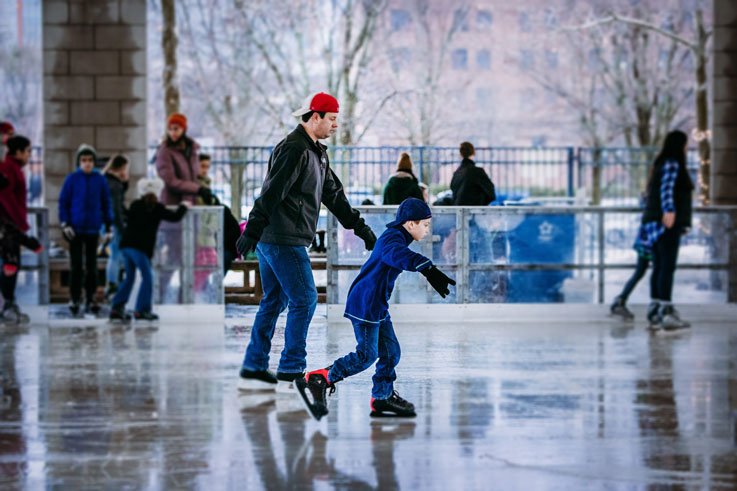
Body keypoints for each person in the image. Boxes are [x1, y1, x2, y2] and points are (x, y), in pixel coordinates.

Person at [235, 91, 377, 390]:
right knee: (305, 299)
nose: (335, 125)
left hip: (279, 237)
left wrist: (361, 229)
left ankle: (255, 363)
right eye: (332, 119)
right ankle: (291, 368)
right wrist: (253, 228)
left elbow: (334, 196)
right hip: (281, 238)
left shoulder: (316, 153)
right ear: (315, 117)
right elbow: (272, 192)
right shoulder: (295, 149)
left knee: (275, 300)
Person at [295, 198, 455, 420]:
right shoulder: (392, 240)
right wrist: (426, 267)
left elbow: (397, 255)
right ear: (410, 224)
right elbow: (396, 255)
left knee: (391, 353)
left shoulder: (398, 237)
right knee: (366, 355)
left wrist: (426, 269)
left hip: (376, 305)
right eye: (425, 224)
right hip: (366, 304)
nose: (428, 229)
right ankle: (320, 378)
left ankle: (382, 396)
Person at [109, 178, 187, 322]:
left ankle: (117, 306)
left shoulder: (136, 205)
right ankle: (142, 309)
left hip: (126, 246)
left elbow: (126, 215)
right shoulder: (157, 208)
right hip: (140, 248)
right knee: (148, 277)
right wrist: (183, 206)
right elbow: (175, 217)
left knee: (129, 278)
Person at [639, 130, 694, 331]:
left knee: (660, 266)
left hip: (654, 221)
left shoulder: (661, 163)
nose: (687, 149)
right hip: (665, 222)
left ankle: (655, 308)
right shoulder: (672, 163)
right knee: (667, 266)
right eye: (685, 144)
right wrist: (670, 212)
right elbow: (667, 189)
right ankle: (666, 311)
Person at [59, 143, 113, 315]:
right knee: (76, 266)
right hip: (75, 229)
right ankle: (74, 298)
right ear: (79, 162)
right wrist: (65, 223)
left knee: (92, 266)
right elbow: (63, 202)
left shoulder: (100, 180)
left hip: (92, 229)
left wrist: (108, 226)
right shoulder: (72, 179)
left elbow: (106, 203)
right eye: (84, 160)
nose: (87, 163)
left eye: (90, 160)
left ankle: (90, 298)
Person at [0, 135, 43, 323]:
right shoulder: (9, 168)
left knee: (11, 265)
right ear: (17, 152)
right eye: (27, 151)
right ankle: (8, 305)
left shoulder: (13, 168)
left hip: (10, 225)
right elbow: (6, 198)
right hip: (8, 225)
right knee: (11, 265)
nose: (29, 156)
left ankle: (9, 304)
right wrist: (22, 225)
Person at [155, 113, 212, 205]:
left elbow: (193, 178)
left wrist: (204, 190)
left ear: (183, 129)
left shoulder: (191, 150)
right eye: (170, 129)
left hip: (191, 203)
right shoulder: (165, 151)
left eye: (176, 129)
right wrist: (198, 189)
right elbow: (171, 181)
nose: (172, 133)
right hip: (173, 205)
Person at [610, 192, 650, 321]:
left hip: (645, 239)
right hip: (651, 239)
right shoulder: (658, 196)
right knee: (659, 271)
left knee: (641, 271)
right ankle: (660, 307)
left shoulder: (651, 196)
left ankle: (620, 300)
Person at [102, 154, 130, 300]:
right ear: (122, 167)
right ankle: (113, 285)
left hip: (106, 223)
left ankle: (112, 285)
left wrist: (125, 182)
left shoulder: (106, 180)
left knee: (115, 254)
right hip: (113, 224)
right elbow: (116, 208)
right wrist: (121, 227)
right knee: (116, 255)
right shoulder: (114, 185)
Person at [450, 141, 495, 206]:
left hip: (458, 212)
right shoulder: (478, 172)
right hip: (475, 212)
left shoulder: (456, 173)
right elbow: (491, 193)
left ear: (460, 154)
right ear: (474, 152)